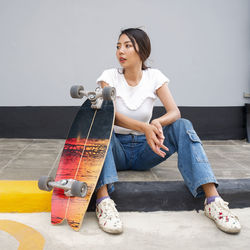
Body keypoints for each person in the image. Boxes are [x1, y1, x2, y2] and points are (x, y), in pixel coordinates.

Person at [94, 28, 241, 235]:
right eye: (118, 46)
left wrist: (157, 123)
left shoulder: (154, 76)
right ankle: (103, 202)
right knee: (99, 125)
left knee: (183, 126)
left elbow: (175, 112)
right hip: (116, 148)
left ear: (142, 50)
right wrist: (144, 127)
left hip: (146, 151)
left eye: (127, 46)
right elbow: (111, 116)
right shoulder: (108, 76)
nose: (121, 51)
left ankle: (213, 200)